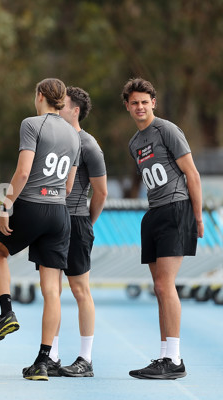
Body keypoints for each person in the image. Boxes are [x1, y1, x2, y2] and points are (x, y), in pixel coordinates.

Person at [0, 78, 80, 381]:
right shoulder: (75, 135)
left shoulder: (32, 124)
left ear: (40, 96)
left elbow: (24, 171)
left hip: (32, 204)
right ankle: (43, 360)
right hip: (59, 211)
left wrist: (6, 205)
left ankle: (6, 311)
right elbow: (69, 184)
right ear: (63, 101)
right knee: (52, 291)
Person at [122, 78, 203, 380]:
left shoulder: (167, 130)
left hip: (176, 208)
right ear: (128, 107)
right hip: (154, 212)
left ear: (153, 103)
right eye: (134, 103)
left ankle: (175, 358)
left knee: (165, 285)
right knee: (158, 288)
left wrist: (197, 216)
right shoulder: (134, 143)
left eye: (145, 101)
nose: (140, 107)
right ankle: (164, 355)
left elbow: (191, 174)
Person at [50, 86, 107, 378]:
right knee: (51, 290)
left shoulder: (88, 145)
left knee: (80, 290)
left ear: (75, 111)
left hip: (76, 220)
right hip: (52, 220)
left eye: (63, 105)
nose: (57, 108)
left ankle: (86, 359)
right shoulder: (53, 139)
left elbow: (101, 192)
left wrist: (87, 222)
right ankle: (52, 355)